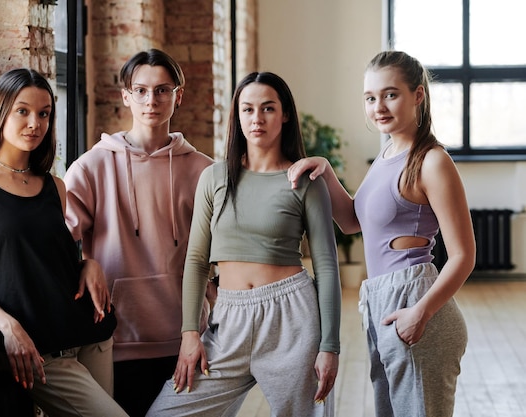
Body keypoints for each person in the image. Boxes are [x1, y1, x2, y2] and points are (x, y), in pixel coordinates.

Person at [288, 50, 475, 417]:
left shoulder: (432, 161)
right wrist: (326, 171)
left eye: (390, 94)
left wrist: (420, 313)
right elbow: (352, 222)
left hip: (416, 300)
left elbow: (464, 256)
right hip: (380, 301)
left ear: (417, 95)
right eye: (370, 98)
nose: (379, 107)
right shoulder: (388, 153)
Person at [147, 71, 341, 417]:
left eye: (268, 108)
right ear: (237, 116)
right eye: (248, 109)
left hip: (291, 320)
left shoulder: (305, 180)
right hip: (228, 320)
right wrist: (190, 333)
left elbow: (326, 266)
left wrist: (330, 346)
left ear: (285, 115)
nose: (257, 119)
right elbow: (195, 261)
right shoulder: (215, 178)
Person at [0, 68, 129, 417]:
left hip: (92, 334)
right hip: (41, 350)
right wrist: (8, 326)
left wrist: (88, 263)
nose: (35, 123)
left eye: (44, 114)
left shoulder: (54, 185)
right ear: (1, 112)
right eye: (23, 111)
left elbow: (58, 258)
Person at [63, 48, 214, 416]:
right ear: (125, 96)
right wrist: (83, 260)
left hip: (187, 337)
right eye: (141, 90)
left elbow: (224, 252)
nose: (152, 100)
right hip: (116, 337)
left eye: (163, 90)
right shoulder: (90, 167)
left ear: (178, 96)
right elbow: (57, 241)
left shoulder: (204, 171)